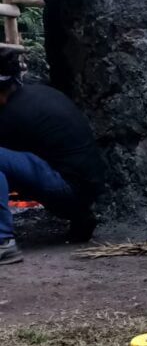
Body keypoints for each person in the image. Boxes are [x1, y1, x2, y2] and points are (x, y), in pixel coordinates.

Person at [0, 46, 105, 264]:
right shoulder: (37, 95)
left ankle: (3, 242)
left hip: (67, 191)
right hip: (85, 190)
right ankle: (81, 218)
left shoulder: (13, 115)